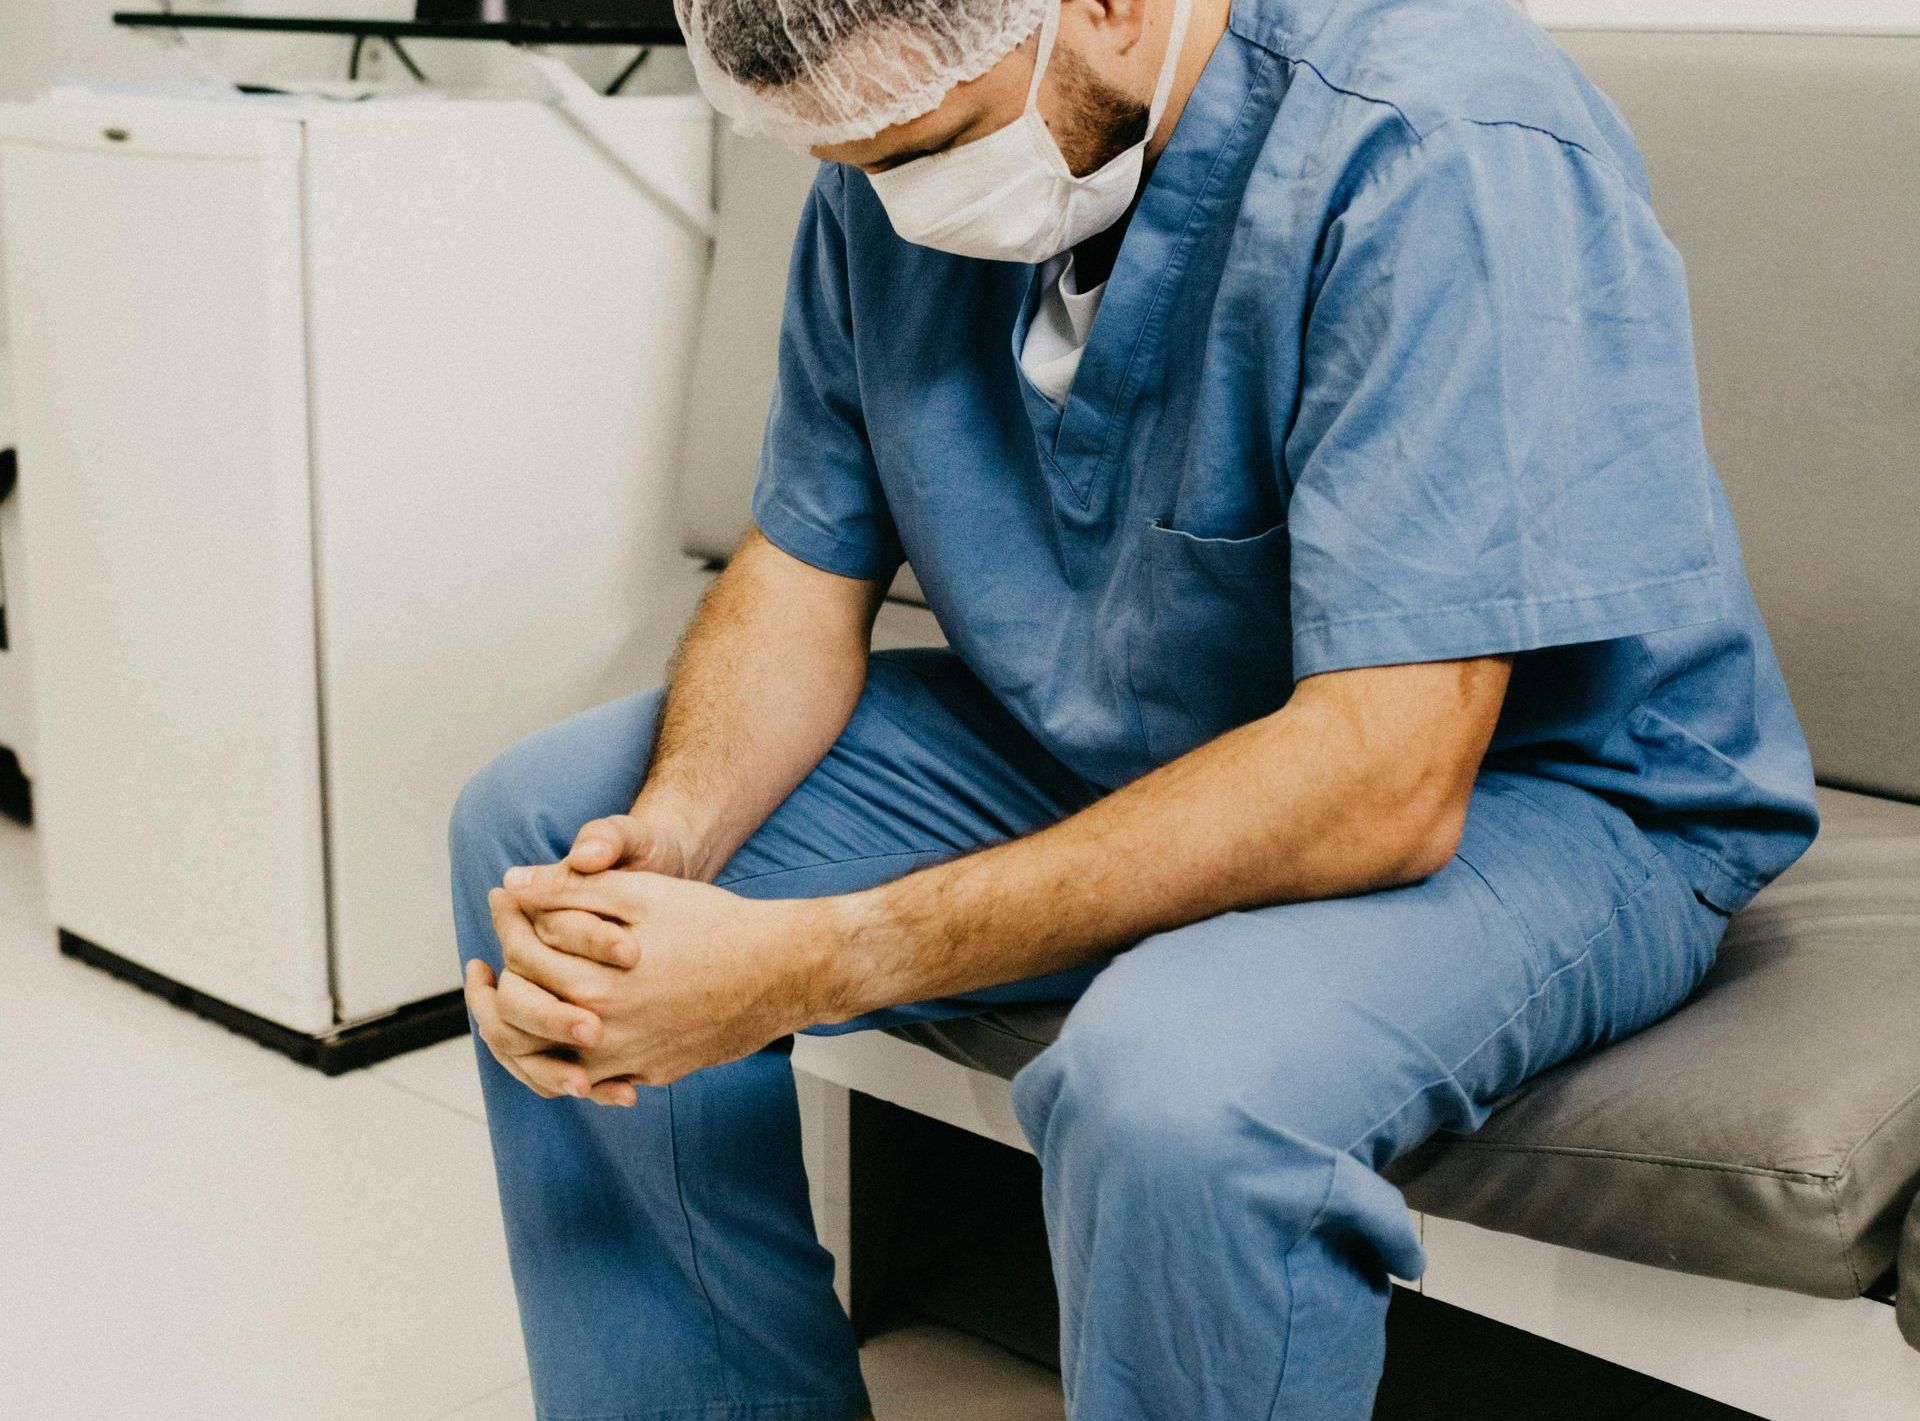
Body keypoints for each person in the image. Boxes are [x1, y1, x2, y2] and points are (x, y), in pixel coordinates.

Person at [446, 0, 1819, 1415]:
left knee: (1173, 1094)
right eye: (862, 165)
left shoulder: (1432, 139)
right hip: (1128, 717)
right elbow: (803, 566)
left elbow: (1387, 780)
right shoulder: (897, 164)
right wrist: (666, 853)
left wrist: (811, 958)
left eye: (933, 145)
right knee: (554, 836)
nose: (901, 201)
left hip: (1542, 788)